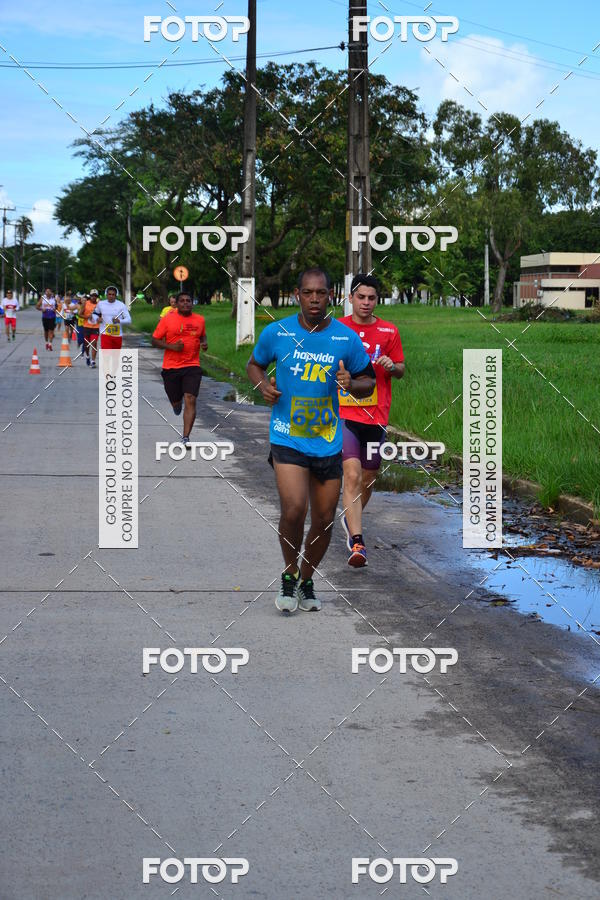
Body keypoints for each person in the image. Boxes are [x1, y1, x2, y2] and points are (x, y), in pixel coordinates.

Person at [246, 267, 375, 615]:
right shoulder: (278, 332)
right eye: (308, 293)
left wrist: (351, 383)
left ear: (331, 295)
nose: (314, 299)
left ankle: (306, 579)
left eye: (321, 293)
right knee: (294, 509)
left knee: (324, 519)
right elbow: (254, 365)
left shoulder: (345, 338)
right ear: (297, 295)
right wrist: (263, 386)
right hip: (287, 435)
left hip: (327, 440)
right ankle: (289, 574)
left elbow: (369, 382)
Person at [339, 274, 405, 567]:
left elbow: (401, 369)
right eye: (361, 297)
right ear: (350, 298)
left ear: (377, 300)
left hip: (376, 415)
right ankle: (357, 542)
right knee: (352, 476)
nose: (366, 303)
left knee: (368, 477)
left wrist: (392, 366)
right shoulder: (338, 330)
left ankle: (349, 517)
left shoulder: (389, 331)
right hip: (344, 413)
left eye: (371, 298)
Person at [151, 292, 207, 446]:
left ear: (192, 303)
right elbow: (154, 340)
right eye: (182, 301)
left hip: (192, 365)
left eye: (188, 300)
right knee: (176, 402)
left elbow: (202, 335)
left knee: (191, 398)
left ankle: (185, 437)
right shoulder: (167, 319)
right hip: (171, 367)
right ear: (176, 303)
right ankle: (176, 404)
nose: (185, 303)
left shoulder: (200, 319)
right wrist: (172, 347)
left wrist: (204, 343)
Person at [92, 286, 131, 350]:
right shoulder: (101, 304)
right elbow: (94, 314)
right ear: (106, 295)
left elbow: (129, 320)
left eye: (113, 294)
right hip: (105, 334)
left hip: (117, 335)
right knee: (106, 354)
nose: (111, 296)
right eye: (109, 294)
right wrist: (97, 319)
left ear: (116, 295)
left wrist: (119, 321)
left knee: (115, 355)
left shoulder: (121, 305)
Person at [79, 293, 100, 367]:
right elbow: (79, 314)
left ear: (97, 297)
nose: (94, 297)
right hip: (86, 327)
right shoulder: (85, 303)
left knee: (94, 343)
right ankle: (87, 356)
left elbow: (102, 315)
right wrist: (87, 317)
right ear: (90, 296)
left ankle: (93, 361)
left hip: (95, 327)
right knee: (86, 344)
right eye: (92, 295)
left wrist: (100, 319)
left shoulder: (99, 305)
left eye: (95, 296)